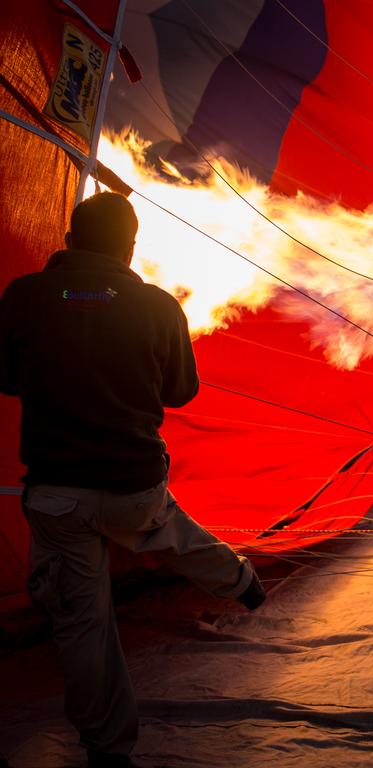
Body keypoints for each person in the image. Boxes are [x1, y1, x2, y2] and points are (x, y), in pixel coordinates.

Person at [0, 192, 265, 768]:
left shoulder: (24, 297)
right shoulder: (158, 306)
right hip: (133, 484)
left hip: (58, 492)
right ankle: (239, 578)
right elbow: (180, 392)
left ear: (68, 242)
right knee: (162, 528)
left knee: (84, 624)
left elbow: (7, 378)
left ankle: (108, 749)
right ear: (131, 248)